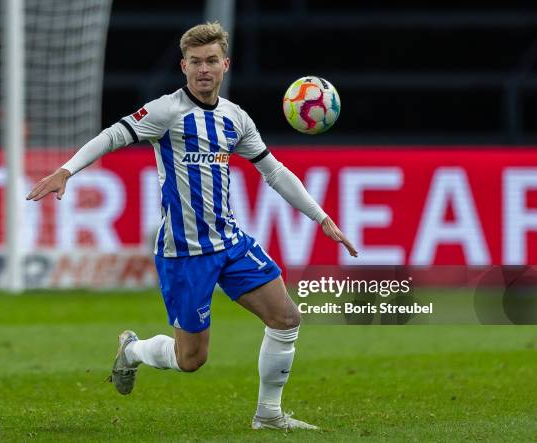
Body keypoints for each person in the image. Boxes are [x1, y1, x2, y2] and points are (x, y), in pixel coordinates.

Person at [26, 22, 358, 431]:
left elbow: (274, 171)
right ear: (184, 66)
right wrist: (66, 169)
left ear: (225, 65)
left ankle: (268, 415)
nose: (204, 69)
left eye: (212, 61)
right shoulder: (167, 111)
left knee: (287, 318)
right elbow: (114, 135)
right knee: (191, 360)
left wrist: (321, 217)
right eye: (196, 62)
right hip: (184, 252)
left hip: (231, 242)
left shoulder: (235, 118)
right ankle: (132, 349)